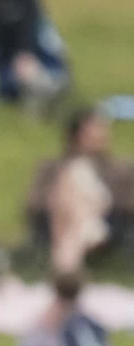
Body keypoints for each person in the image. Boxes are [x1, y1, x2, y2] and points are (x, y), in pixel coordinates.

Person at [25, 106, 134, 273]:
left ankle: (69, 260)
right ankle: (84, 233)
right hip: (61, 222)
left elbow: (128, 204)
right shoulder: (53, 168)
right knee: (75, 176)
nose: (99, 136)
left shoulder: (119, 170)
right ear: (76, 135)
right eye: (91, 131)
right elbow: (35, 203)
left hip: (108, 223)